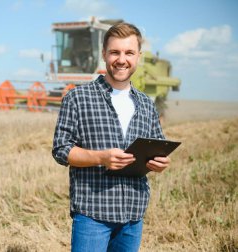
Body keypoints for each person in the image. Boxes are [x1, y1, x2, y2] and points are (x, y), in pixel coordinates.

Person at [52, 22, 171, 252]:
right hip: (92, 216)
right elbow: (61, 150)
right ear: (104, 54)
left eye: (129, 53)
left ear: (138, 56)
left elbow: (158, 146)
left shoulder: (147, 104)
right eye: (115, 52)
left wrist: (161, 163)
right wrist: (101, 158)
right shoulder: (77, 98)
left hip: (133, 216)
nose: (121, 59)